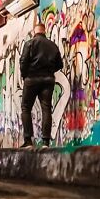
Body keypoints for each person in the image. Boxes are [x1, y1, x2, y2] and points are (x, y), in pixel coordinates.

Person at [19, 21, 63, 149]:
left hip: (31, 79)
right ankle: (45, 143)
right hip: (48, 80)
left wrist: (25, 75)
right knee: (46, 109)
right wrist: (49, 71)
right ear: (44, 31)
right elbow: (60, 64)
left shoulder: (30, 44)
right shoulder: (52, 45)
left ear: (34, 31)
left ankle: (28, 141)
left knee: (26, 108)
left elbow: (23, 61)